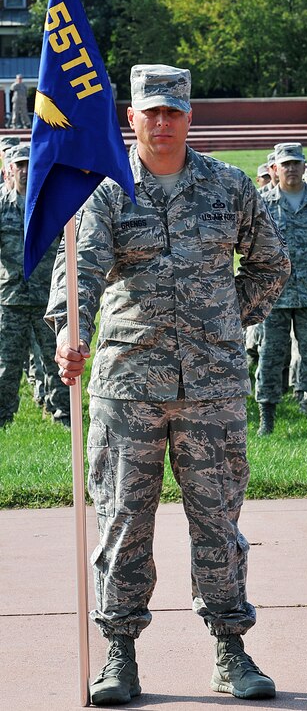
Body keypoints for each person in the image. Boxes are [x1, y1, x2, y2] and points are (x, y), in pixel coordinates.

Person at [46, 64, 290, 705]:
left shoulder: (229, 187)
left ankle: (230, 650)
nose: (162, 122)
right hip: (129, 387)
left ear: (190, 115)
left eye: (173, 111)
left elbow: (271, 263)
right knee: (125, 521)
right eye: (150, 111)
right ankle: (119, 654)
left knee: (219, 521)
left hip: (213, 388)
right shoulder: (104, 191)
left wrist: (222, 320)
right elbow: (79, 272)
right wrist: (70, 333)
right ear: (131, 116)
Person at [255, 141, 307, 437]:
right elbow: (252, 249)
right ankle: (267, 419)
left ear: (305, 167)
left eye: (296, 163)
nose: (291, 168)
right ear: (274, 169)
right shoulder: (261, 202)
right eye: (285, 164)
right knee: (270, 356)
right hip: (274, 296)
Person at [0, 144, 70, 428]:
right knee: (7, 365)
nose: (26, 170)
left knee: (56, 363)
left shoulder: (50, 205)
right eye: (20, 165)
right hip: (11, 299)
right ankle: (3, 419)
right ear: (10, 170)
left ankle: (63, 415)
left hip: (46, 298)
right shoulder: (2, 206)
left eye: (30, 164)